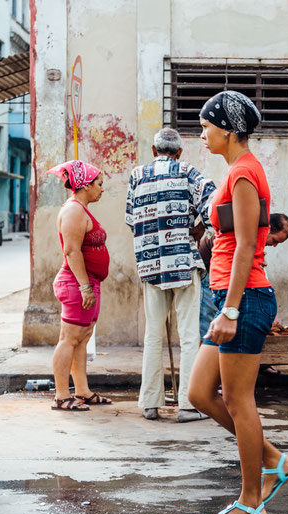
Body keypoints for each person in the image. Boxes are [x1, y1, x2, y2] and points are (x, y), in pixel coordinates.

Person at [188, 91, 288, 514]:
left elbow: (250, 246)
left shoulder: (244, 174)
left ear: (230, 130)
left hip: (245, 299)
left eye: (206, 126)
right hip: (226, 296)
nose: (202, 134)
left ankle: (251, 501)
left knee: (237, 401)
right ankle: (272, 459)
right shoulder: (235, 171)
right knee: (199, 393)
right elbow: (235, 237)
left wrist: (231, 310)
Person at [126, 128, 215, 423]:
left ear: (154, 150)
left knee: (153, 335)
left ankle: (150, 404)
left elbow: (131, 219)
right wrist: (199, 228)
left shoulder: (137, 175)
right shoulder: (188, 171)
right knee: (189, 335)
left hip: (151, 264)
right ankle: (189, 406)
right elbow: (214, 202)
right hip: (183, 261)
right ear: (178, 152)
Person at [48, 159, 113, 411]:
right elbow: (72, 251)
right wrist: (85, 287)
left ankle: (82, 391)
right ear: (85, 185)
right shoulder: (74, 210)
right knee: (69, 338)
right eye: (99, 183)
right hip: (76, 284)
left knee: (82, 338)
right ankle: (62, 395)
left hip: (87, 283)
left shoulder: (81, 209)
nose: (102, 188)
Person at [199, 212, 288, 337]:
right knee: (209, 319)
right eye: (274, 240)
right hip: (209, 273)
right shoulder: (247, 235)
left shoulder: (254, 239)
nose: (274, 245)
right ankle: (205, 350)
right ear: (267, 228)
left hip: (224, 278)